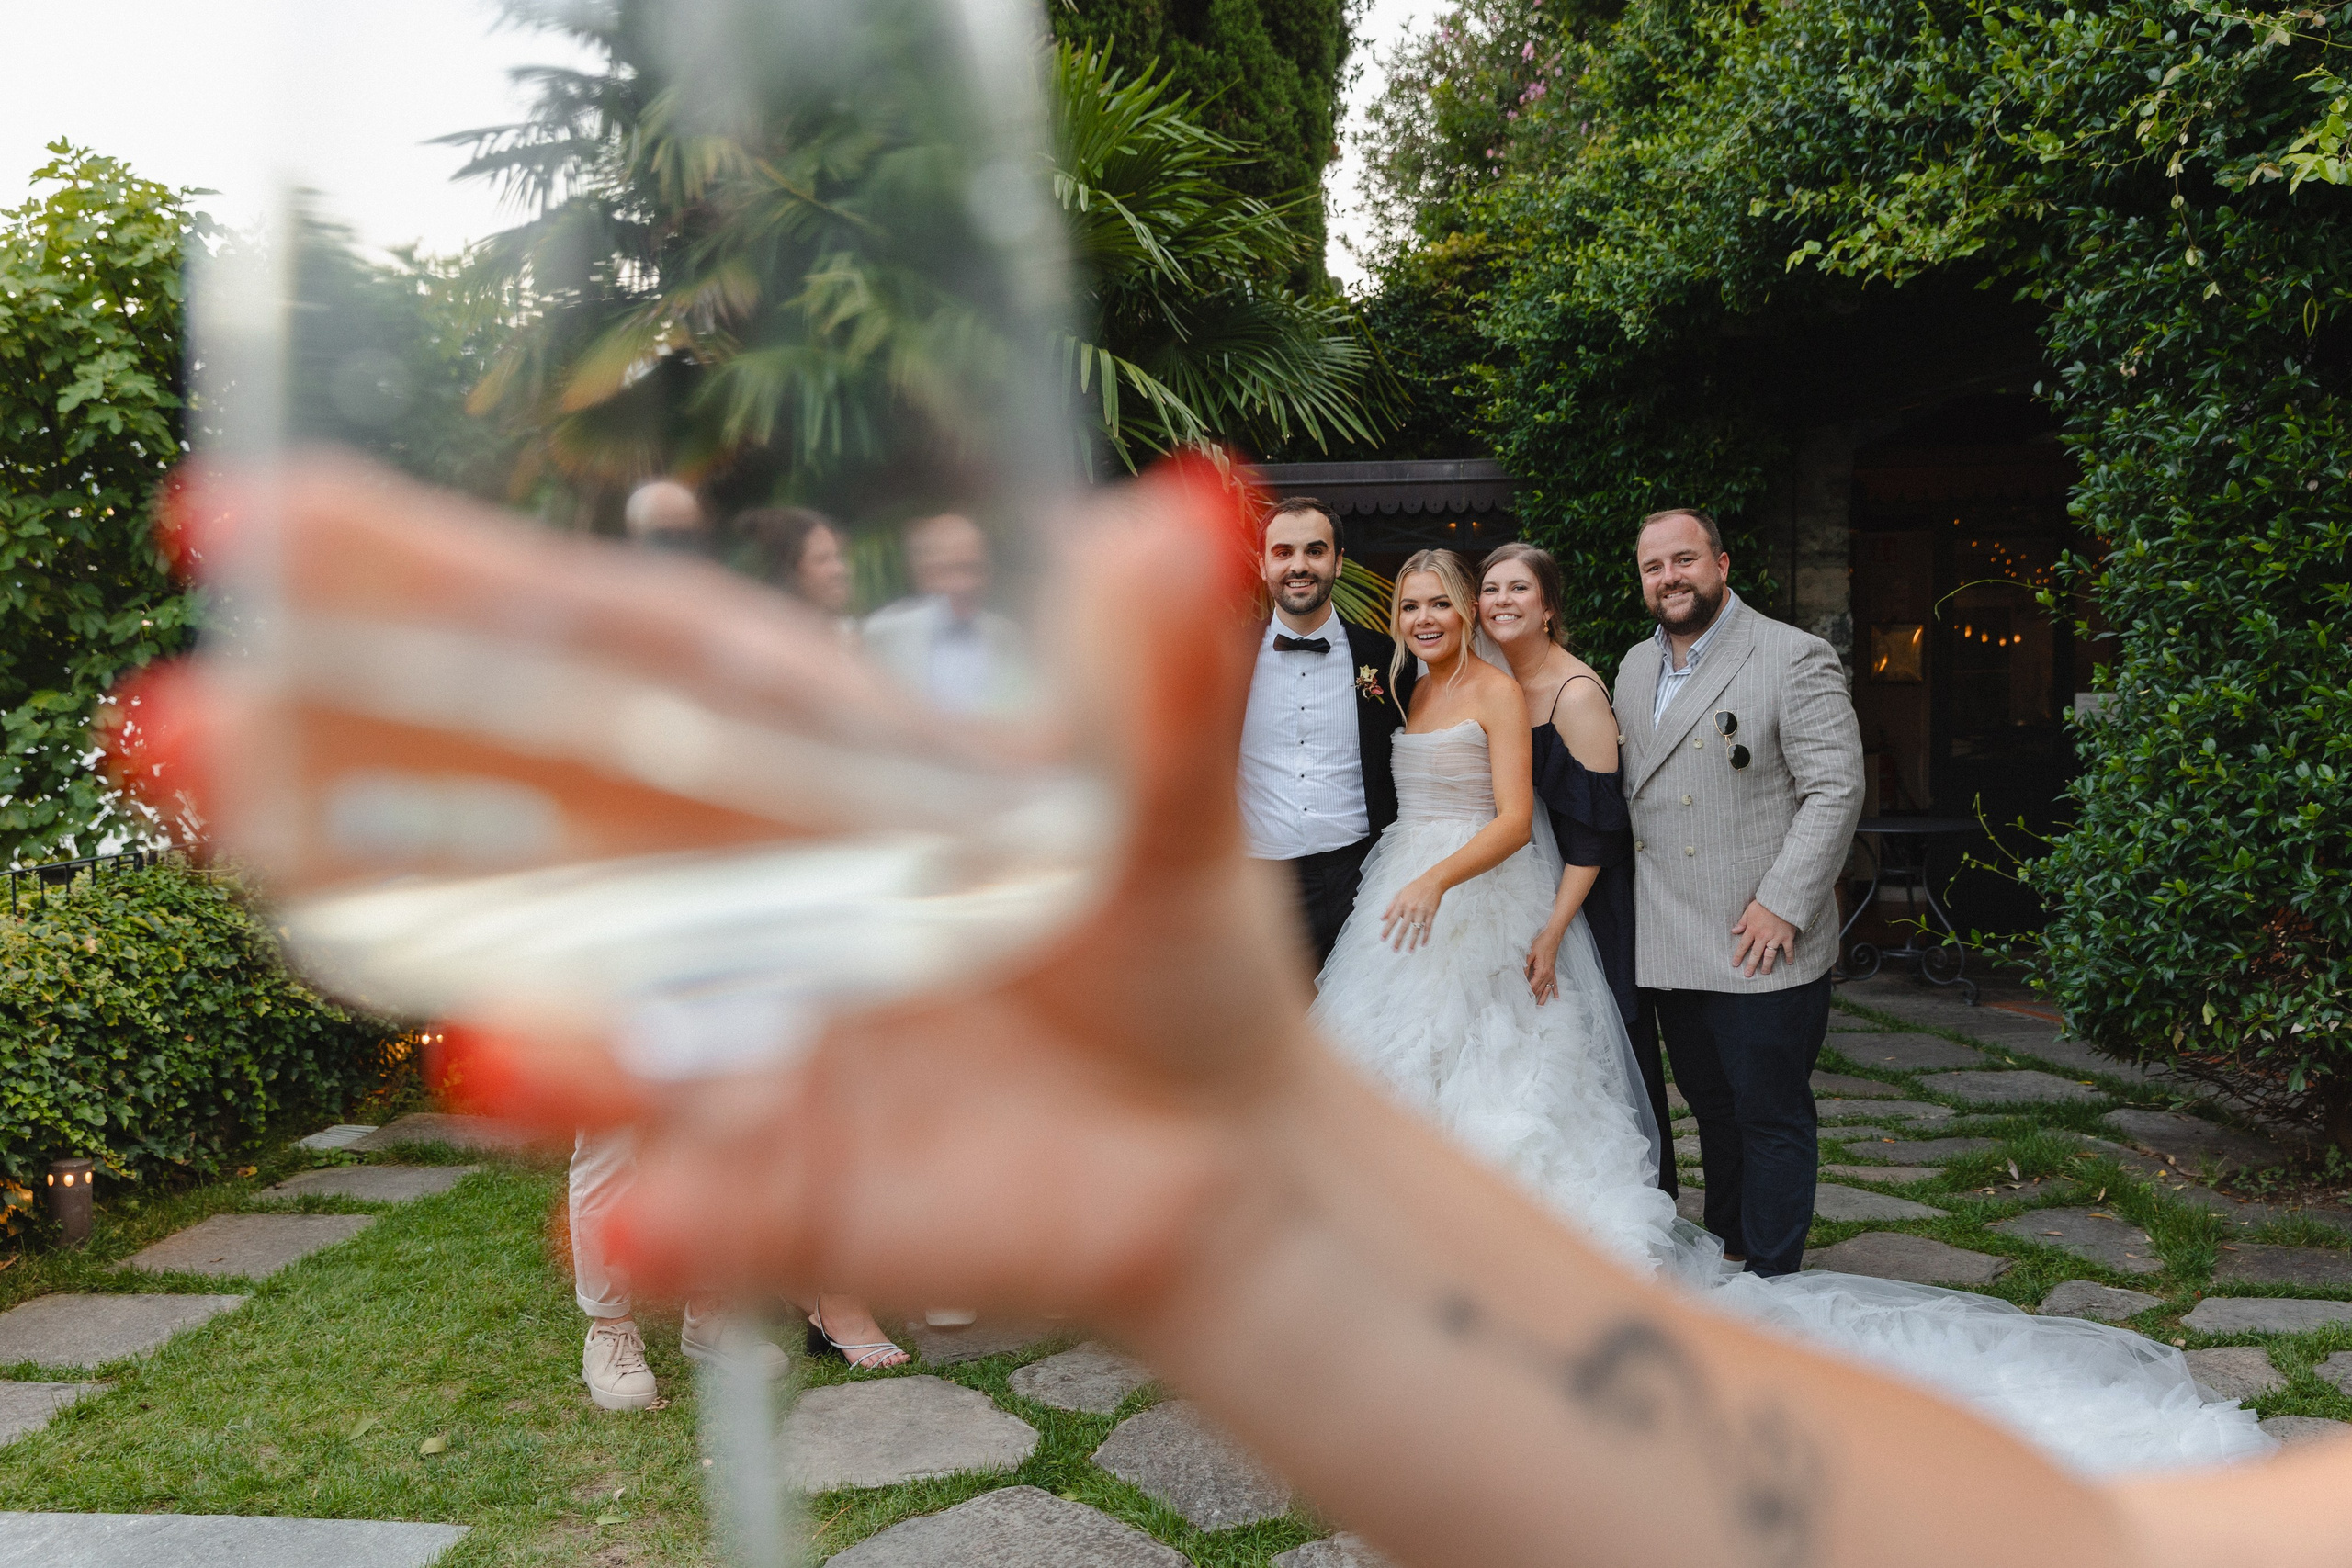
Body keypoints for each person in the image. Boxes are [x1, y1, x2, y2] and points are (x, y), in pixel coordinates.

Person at [153, 464, 2322, 1568]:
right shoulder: (1369, 671)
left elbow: (1528, 811)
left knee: (1567, 1105)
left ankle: (1591, 1255)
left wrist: (1471, 887)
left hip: (1450, 897)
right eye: (1417, 595)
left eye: (1453, 593)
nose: (1431, 611)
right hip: (1348, 897)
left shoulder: (1527, 681)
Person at [1615, 509, 1860, 1277]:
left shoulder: (1791, 654)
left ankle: (1774, 1279)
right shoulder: (1632, 667)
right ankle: (1730, 1251)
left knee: (1769, 1112)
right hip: (1671, 937)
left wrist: (1784, 901)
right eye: (1654, 567)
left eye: (1684, 559)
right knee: (1711, 1108)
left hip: (1759, 934)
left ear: (1721, 564)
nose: (1670, 577)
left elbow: (1836, 788)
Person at [1477, 541, 1671, 1194]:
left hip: (1583, 902)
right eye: (1491, 589)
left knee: (1604, 1049)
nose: (1502, 600)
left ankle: (1631, 1199)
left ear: (1549, 608)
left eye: (1519, 588)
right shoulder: (1491, 681)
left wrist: (1554, 931)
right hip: (1517, 893)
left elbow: (1595, 836)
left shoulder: (1577, 693)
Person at [1238, 498, 1417, 967]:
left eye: (1315, 551)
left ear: (1337, 562)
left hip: (1364, 878)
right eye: (1283, 552)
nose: (1299, 566)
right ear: (1263, 564)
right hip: (1263, 888)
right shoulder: (1226, 659)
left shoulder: (1388, 659)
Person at [862, 512, 1026, 714]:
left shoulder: (1009, 638)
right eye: (949, 570)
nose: (964, 584)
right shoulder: (881, 635)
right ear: (923, 573)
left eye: (973, 568)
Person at [740, 504, 855, 633]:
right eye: (822, 560)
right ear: (788, 570)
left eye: (838, 557)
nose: (840, 570)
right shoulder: (762, 637)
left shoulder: (846, 632)